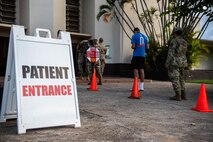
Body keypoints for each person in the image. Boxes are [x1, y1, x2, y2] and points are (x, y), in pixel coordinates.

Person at [165, 27, 188, 101]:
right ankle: (183, 95)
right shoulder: (184, 41)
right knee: (181, 78)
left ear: (174, 33)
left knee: (175, 78)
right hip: (183, 62)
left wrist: (167, 62)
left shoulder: (174, 41)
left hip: (174, 62)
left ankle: (178, 95)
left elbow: (170, 53)